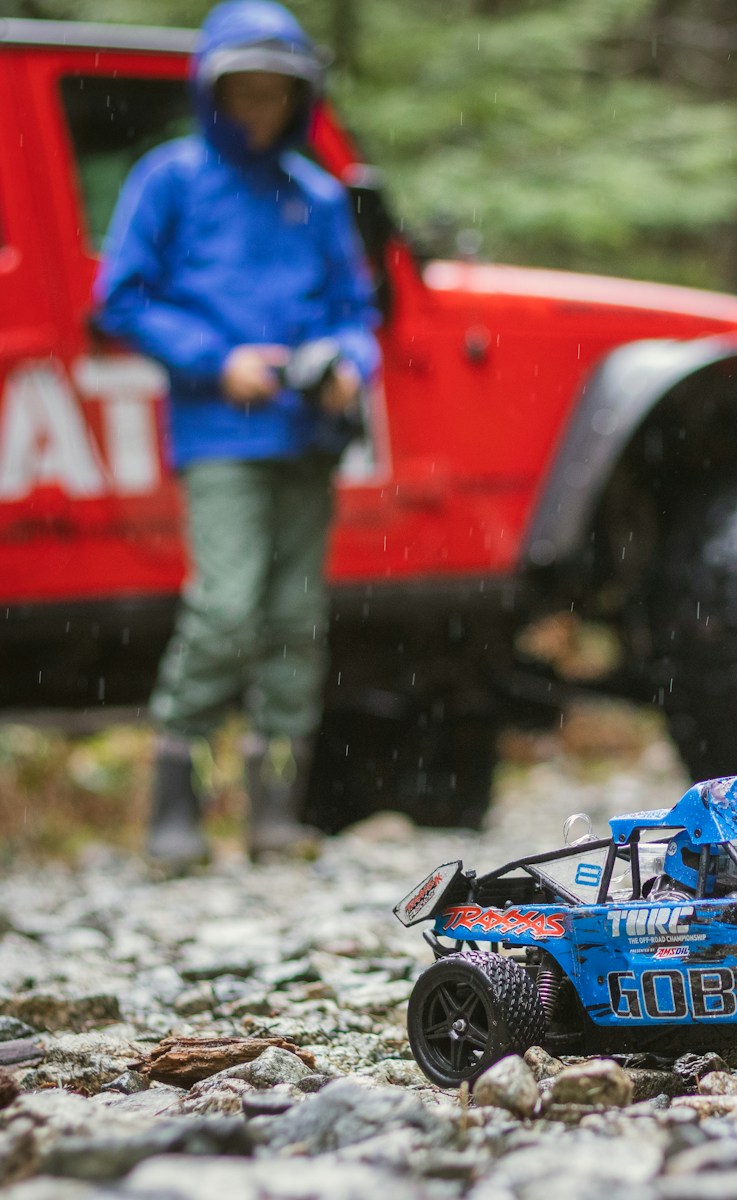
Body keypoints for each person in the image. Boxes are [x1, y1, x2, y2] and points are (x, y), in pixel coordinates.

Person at [94, 0, 380, 869]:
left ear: (299, 98)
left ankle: (274, 814)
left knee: (295, 620)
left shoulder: (317, 194)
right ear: (212, 91)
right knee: (225, 611)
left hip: (308, 435)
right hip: (220, 432)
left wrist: (347, 363)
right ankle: (174, 808)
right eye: (244, 91)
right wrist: (218, 361)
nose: (259, 108)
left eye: (275, 93)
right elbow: (121, 297)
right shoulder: (170, 179)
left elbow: (356, 310)